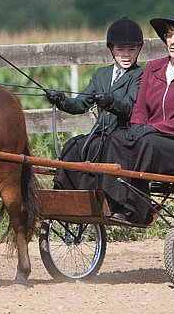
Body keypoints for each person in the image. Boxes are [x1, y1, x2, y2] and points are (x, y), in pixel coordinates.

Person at [102, 11, 174, 225]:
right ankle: (112, 201)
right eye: (169, 36)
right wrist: (137, 126)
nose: (172, 42)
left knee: (146, 142)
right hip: (153, 137)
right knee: (118, 137)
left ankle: (137, 209)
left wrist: (154, 129)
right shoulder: (154, 68)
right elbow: (141, 107)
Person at [46, 16, 144, 190]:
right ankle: (63, 193)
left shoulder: (139, 75)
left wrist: (112, 102)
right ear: (111, 50)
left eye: (131, 49)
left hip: (123, 135)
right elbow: (81, 103)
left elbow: (129, 106)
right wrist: (62, 100)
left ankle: (90, 198)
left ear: (139, 50)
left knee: (96, 149)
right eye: (121, 50)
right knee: (73, 145)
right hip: (99, 134)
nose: (126, 55)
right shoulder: (101, 75)